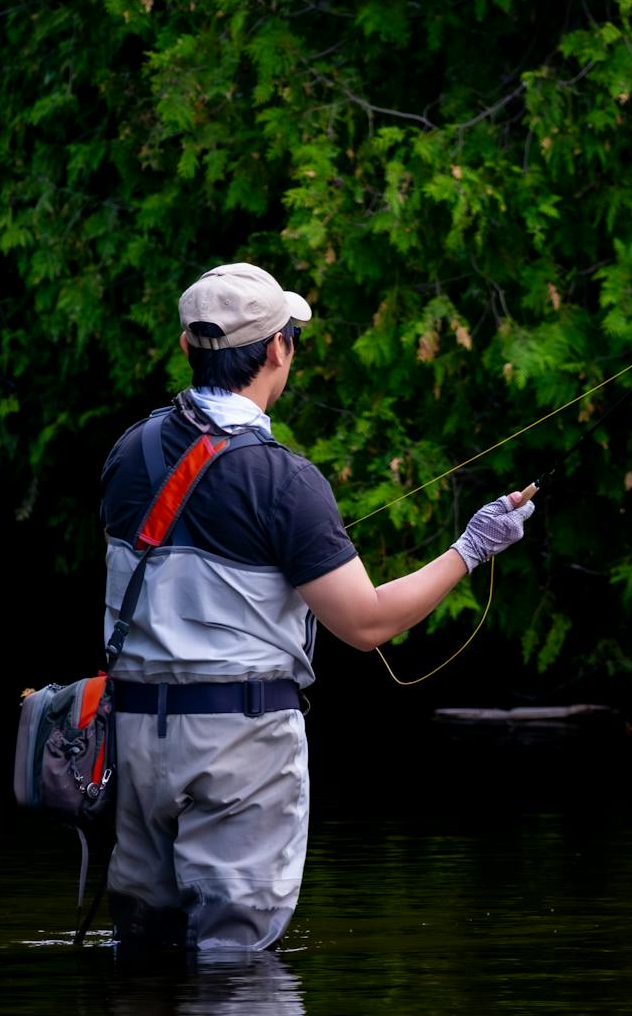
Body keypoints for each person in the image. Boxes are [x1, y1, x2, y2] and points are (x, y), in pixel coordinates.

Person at [98, 261, 533, 953]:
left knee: (145, 956)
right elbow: (365, 623)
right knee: (232, 964)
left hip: (135, 741)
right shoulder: (282, 480)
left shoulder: (130, 452)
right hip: (237, 748)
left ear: (188, 347)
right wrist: (472, 547)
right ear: (277, 349)